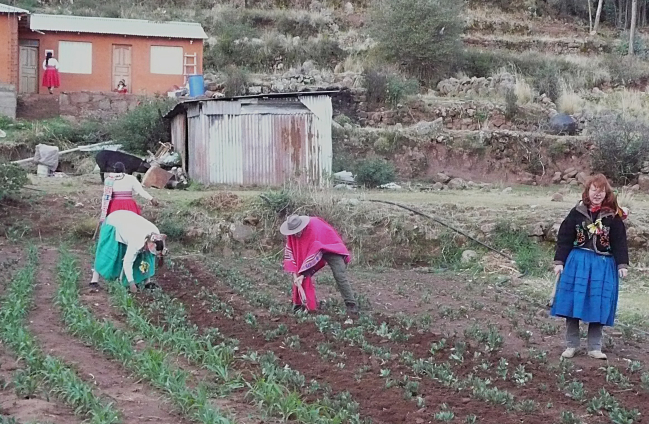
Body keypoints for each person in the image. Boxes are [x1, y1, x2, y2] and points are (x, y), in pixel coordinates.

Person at [551, 174, 629, 360]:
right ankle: (571, 345)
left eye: (601, 191)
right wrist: (559, 262)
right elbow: (564, 237)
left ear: (606, 193)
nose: (597, 194)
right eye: (594, 190)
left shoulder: (613, 215)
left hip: (602, 265)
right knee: (572, 303)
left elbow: (620, 241)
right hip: (577, 262)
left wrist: (622, 264)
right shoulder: (577, 212)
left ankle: (594, 347)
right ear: (588, 191)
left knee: (598, 304)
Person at [281, 214, 358, 314]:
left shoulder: (313, 229)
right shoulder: (292, 234)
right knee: (302, 274)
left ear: (302, 227)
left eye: (298, 231)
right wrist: (299, 274)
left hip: (331, 247)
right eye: (294, 232)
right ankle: (302, 304)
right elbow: (293, 253)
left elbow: (315, 251)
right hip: (315, 250)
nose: (296, 235)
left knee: (339, 274)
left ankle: (351, 305)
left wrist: (304, 274)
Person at [91, 210, 167, 293]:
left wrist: (161, 258)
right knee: (106, 254)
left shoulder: (157, 235)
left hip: (129, 223)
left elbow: (156, 253)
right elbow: (128, 262)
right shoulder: (136, 240)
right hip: (114, 222)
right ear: (148, 242)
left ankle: (147, 282)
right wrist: (131, 283)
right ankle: (94, 280)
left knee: (146, 257)